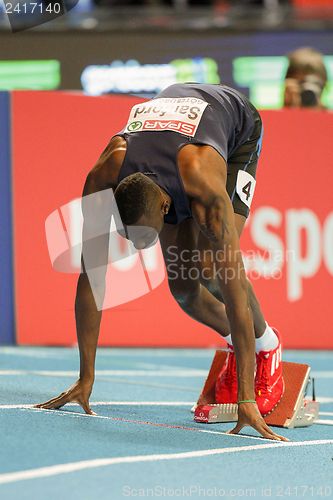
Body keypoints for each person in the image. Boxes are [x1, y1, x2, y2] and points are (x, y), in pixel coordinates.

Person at [36, 83, 287, 441]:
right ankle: (236, 344)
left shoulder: (203, 189)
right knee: (183, 289)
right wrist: (85, 377)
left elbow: (234, 289)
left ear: (167, 207)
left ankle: (268, 346)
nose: (139, 248)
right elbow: (91, 277)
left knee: (211, 267)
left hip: (236, 131)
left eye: (144, 237)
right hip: (174, 142)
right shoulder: (103, 175)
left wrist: (246, 398)